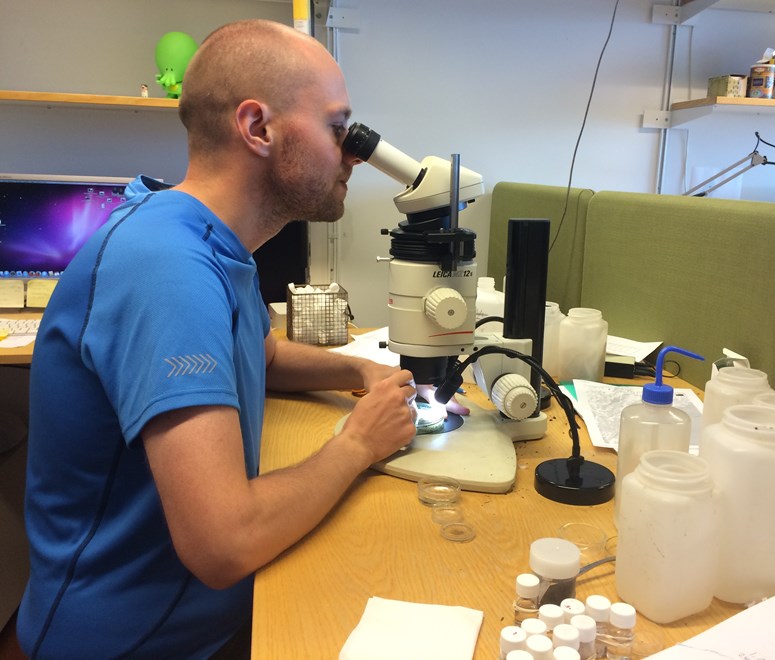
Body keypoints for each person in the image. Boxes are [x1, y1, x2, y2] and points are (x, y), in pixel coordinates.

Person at [17, 19, 464, 658]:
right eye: (340, 129)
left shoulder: (208, 241)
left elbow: (263, 354)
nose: (356, 154)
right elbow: (223, 543)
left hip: (203, 616)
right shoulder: (165, 267)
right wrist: (358, 443)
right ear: (258, 128)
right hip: (138, 639)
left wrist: (359, 374)